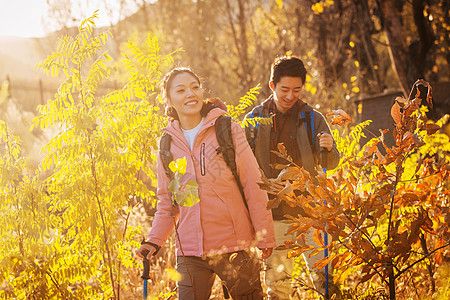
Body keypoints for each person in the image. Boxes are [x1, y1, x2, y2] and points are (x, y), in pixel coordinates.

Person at [137, 67, 276, 300]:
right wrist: (154, 240)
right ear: (169, 100)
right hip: (190, 252)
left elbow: (253, 183)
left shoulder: (227, 129)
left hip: (234, 244)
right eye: (181, 90)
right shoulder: (166, 145)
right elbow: (167, 202)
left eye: (195, 87)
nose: (190, 94)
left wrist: (264, 234)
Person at [244, 56, 340, 299]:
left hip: (310, 212)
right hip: (272, 216)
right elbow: (241, 168)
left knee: (325, 279)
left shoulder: (313, 118)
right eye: (284, 89)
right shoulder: (254, 120)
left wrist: (330, 149)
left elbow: (330, 163)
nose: (290, 96)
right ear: (272, 85)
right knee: (277, 286)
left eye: (297, 90)